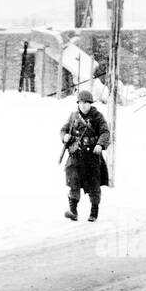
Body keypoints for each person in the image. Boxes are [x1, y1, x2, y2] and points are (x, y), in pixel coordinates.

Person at [59, 89, 110, 221]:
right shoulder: (73, 116)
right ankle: (73, 211)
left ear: (90, 104)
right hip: (76, 156)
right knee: (73, 182)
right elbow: (63, 129)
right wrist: (64, 136)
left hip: (92, 157)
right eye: (81, 103)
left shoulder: (97, 117)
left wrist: (100, 144)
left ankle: (94, 212)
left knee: (94, 185)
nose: (83, 105)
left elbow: (105, 132)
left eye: (86, 103)